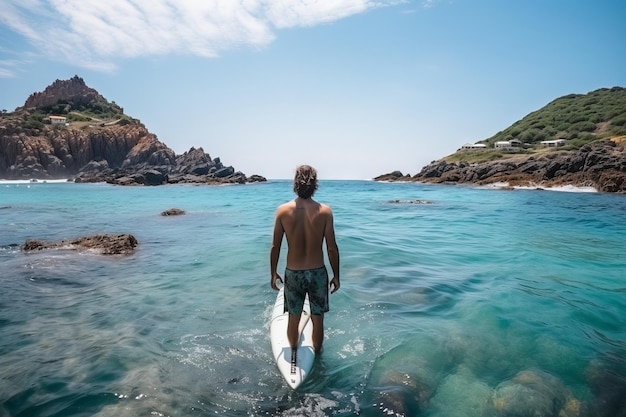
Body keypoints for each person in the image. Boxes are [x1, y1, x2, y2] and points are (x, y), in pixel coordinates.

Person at [270, 165, 340, 365]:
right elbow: (332, 248)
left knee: (294, 317)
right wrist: (337, 275)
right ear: (315, 184)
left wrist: (273, 273)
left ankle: (293, 354)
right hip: (318, 273)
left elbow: (276, 246)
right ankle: (317, 360)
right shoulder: (325, 212)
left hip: (293, 273)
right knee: (318, 318)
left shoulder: (283, 211)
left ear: (295, 183)